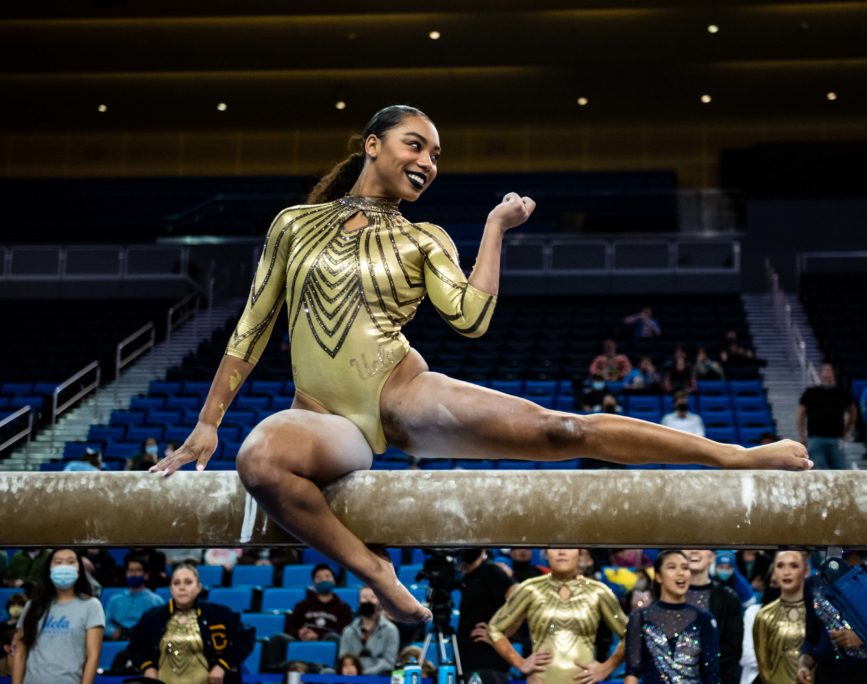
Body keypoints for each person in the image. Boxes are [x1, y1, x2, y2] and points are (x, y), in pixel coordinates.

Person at [149, 104, 811, 624]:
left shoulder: (424, 237)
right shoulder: (294, 224)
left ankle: (732, 456)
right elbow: (254, 321)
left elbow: (471, 318)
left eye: (437, 155)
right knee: (258, 461)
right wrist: (209, 423)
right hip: (325, 420)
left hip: (404, 391)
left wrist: (494, 228)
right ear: (371, 143)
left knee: (564, 431)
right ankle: (377, 572)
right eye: (416, 144)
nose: (429, 161)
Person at [486, 548, 627, 684]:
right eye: (554, 548)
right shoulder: (531, 589)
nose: (561, 552)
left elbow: (630, 634)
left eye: (569, 548)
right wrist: (519, 662)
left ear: (579, 553)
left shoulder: (598, 592)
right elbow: (494, 629)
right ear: (546, 553)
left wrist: (606, 668)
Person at [129, 563, 255, 683]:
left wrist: (222, 665)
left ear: (198, 587)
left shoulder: (218, 613)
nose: (182, 587)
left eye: (188, 582)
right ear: (171, 589)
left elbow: (246, 637)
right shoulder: (153, 617)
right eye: (176, 583)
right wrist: (147, 667)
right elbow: (135, 645)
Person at [796, 551, 867, 684]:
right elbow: (812, 639)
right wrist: (803, 665)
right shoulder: (813, 583)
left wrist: (864, 638)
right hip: (829, 675)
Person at [11, 548, 104, 684]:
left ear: (79, 569)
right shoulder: (32, 606)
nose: (64, 567)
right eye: (58, 562)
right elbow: (20, 650)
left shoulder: (91, 605)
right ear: (49, 570)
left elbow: (93, 655)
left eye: (71, 562)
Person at [624, 550, 719, 684]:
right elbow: (632, 672)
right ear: (658, 577)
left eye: (685, 568)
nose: (681, 573)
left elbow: (712, 676)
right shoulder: (639, 617)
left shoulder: (705, 619)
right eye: (672, 567)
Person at [263, 563, 352, 671]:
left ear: (334, 580)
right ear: (313, 583)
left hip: (325, 642)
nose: (323, 580)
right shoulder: (302, 605)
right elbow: (290, 628)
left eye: (327, 576)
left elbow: (344, 632)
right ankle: (272, 677)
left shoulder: (344, 607)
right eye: (319, 577)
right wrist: (300, 633)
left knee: (334, 637)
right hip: (301, 641)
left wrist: (317, 635)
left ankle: (332, 672)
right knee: (277, 638)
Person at [458, 548, 518, 684]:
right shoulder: (468, 576)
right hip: (469, 660)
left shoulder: (490, 570)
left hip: (486, 661)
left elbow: (518, 594)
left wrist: (500, 631)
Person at [683, 550, 743, 684]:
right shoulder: (667, 595)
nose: (694, 551)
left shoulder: (729, 597)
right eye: (689, 546)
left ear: (712, 557)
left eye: (701, 547)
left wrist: (695, 658)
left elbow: (734, 649)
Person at [752, 551, 807, 684]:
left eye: (793, 566)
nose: (786, 572)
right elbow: (764, 666)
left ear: (806, 570)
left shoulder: (817, 613)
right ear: (774, 571)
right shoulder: (764, 616)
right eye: (780, 566)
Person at [798, 363, 856, 470]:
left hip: (836, 437)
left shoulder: (841, 393)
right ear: (820, 374)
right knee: (817, 471)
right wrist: (802, 434)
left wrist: (845, 431)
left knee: (840, 471)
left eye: (829, 370)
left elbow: (853, 412)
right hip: (815, 438)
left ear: (834, 374)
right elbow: (801, 413)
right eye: (824, 370)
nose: (827, 373)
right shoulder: (811, 392)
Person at [337, 586, 399, 675]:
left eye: (373, 597)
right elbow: (343, 659)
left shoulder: (391, 630)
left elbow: (389, 662)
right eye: (364, 597)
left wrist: (365, 674)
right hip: (352, 677)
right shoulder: (348, 631)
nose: (368, 601)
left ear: (380, 602)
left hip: (378, 677)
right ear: (359, 603)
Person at [104, 555, 164, 640]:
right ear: (126, 574)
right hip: (119, 641)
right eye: (130, 571)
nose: (134, 574)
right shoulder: (114, 600)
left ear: (146, 575)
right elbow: (105, 624)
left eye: (138, 570)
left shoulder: (157, 601)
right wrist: (113, 632)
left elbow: (161, 626)